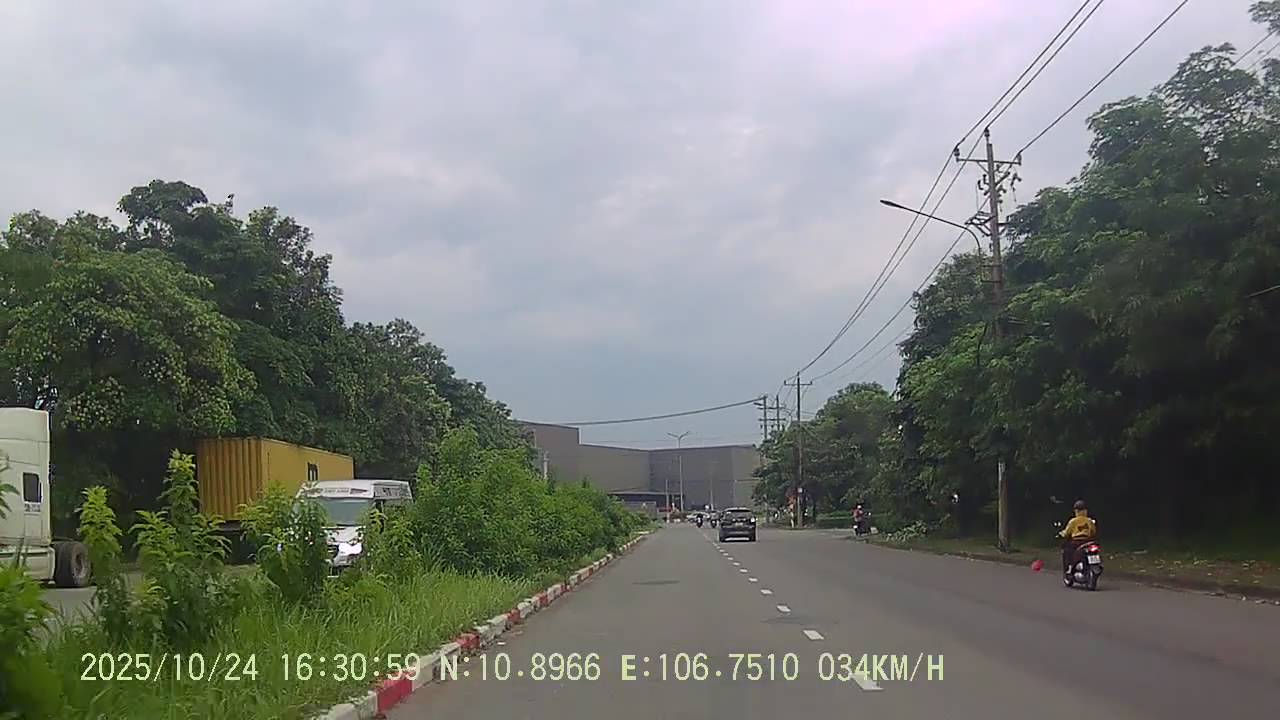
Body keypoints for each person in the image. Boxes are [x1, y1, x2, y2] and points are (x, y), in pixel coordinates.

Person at [1059, 500, 1097, 575]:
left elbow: (1067, 533)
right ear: (1085, 510)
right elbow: (1093, 531)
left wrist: (1061, 534)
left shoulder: (1073, 521)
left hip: (1076, 541)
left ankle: (1070, 568)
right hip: (1088, 541)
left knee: (1068, 551)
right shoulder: (1089, 521)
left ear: (1076, 511)